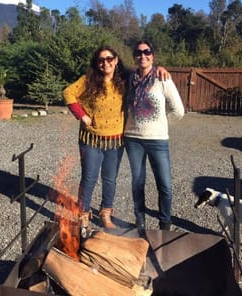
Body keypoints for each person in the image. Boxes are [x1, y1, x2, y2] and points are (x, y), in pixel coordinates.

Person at [63, 46, 126, 233]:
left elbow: (145, 74)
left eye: (109, 59)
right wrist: (81, 115)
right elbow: (68, 93)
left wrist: (160, 69)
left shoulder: (124, 81)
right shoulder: (88, 80)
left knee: (110, 179)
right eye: (101, 60)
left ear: (115, 60)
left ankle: (105, 213)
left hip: (115, 141)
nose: (105, 63)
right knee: (89, 178)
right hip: (91, 140)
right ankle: (83, 213)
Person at [124, 40, 185, 230]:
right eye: (138, 52)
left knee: (164, 184)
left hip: (157, 140)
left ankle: (165, 223)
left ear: (153, 55)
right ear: (134, 56)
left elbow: (178, 110)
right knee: (137, 182)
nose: (142, 56)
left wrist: (162, 123)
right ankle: (139, 219)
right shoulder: (129, 78)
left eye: (147, 52)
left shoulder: (162, 78)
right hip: (133, 139)